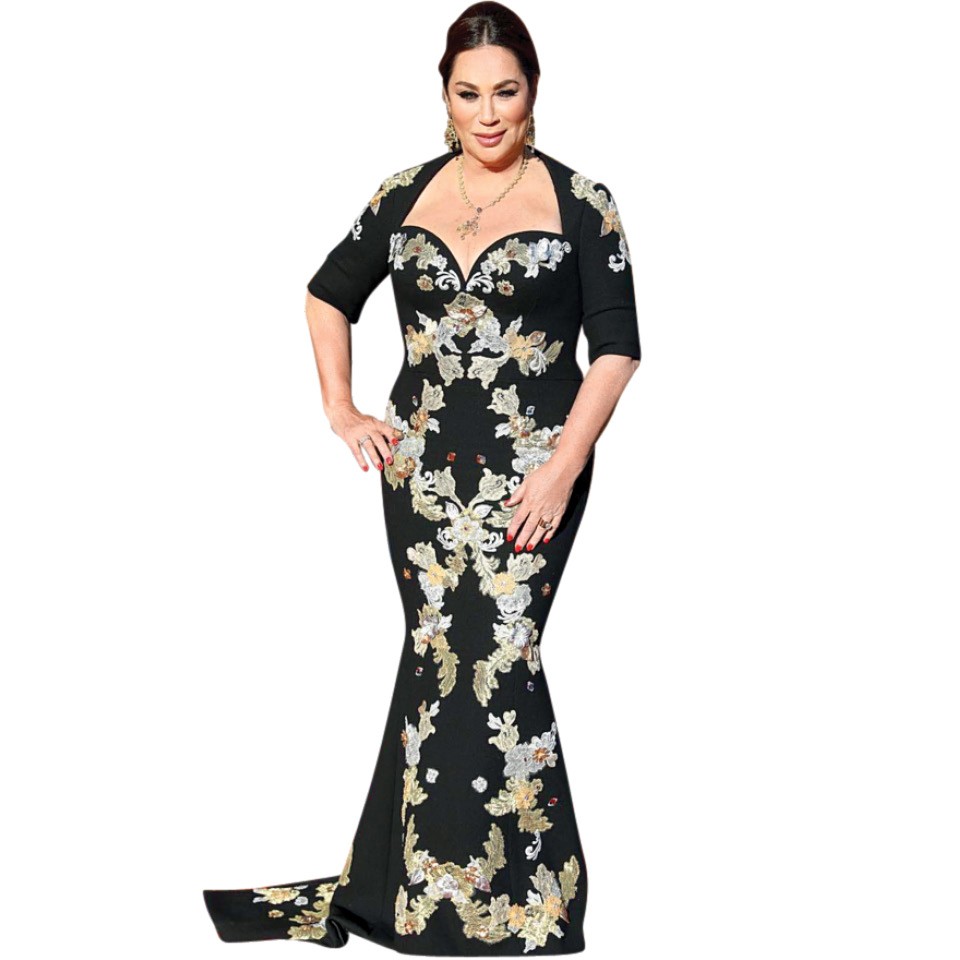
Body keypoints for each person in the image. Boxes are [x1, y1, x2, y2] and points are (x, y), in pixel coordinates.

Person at [202, 2, 641, 954]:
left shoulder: (582, 201)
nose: (488, 114)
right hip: (424, 479)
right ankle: (424, 891)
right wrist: (342, 408)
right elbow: (326, 294)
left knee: (500, 655)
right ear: (444, 94)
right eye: (468, 93)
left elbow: (616, 350)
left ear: (533, 91)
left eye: (506, 92)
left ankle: (524, 901)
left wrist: (563, 468)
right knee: (443, 658)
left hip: (534, 475)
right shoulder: (403, 193)